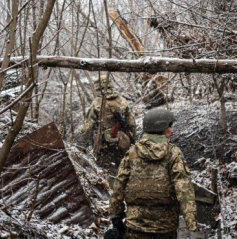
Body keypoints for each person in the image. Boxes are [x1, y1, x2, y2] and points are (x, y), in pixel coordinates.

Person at [109, 107, 197, 239]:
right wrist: (192, 226)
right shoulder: (173, 153)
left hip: (134, 226)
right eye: (169, 126)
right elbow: (184, 190)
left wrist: (116, 218)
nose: (172, 130)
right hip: (165, 228)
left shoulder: (131, 153)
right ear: (160, 127)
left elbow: (118, 187)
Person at [83, 75, 136, 168]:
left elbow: (88, 126)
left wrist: (84, 144)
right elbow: (132, 123)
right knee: (124, 167)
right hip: (122, 141)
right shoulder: (122, 100)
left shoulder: (96, 103)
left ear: (98, 88)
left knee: (105, 170)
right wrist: (131, 136)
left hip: (105, 144)